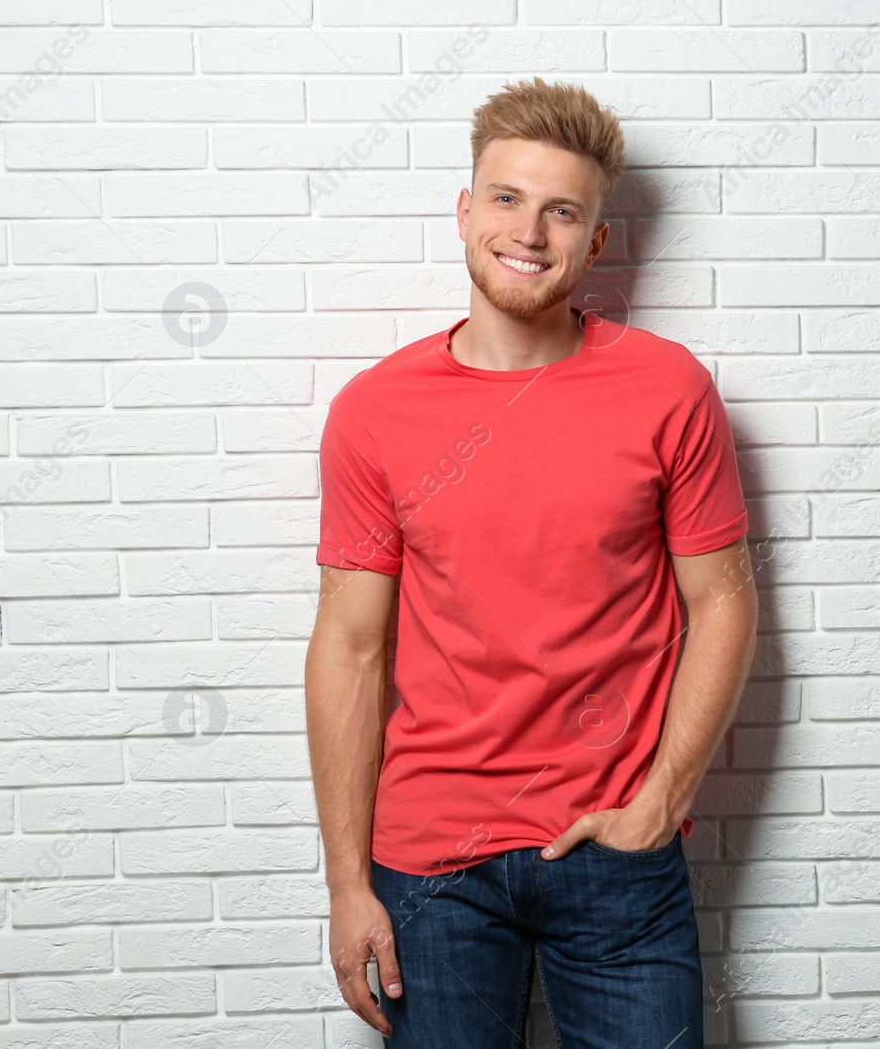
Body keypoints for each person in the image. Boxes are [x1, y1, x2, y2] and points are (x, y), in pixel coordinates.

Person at [304, 77, 758, 1049]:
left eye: (563, 211)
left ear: (596, 240)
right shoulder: (376, 410)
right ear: (466, 212)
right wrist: (348, 883)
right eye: (507, 198)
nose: (530, 230)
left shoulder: (666, 387)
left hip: (616, 847)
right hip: (432, 864)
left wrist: (663, 800)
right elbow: (348, 647)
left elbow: (721, 600)